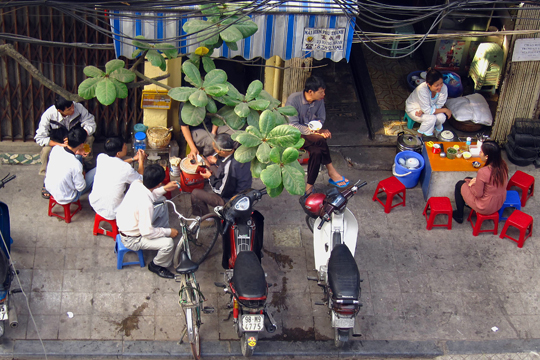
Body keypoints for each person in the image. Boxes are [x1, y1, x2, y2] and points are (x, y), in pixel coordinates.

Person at [285, 76, 349, 195]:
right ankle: (331, 170)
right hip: (294, 135)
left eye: (324, 91)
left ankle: (309, 187)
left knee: (317, 152)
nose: (323, 94)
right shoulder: (293, 100)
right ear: (310, 92)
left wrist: (319, 129)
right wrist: (316, 132)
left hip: (312, 137)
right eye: (321, 92)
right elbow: (293, 125)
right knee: (320, 139)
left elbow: (321, 118)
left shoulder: (319, 101)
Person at [116, 165, 180, 279]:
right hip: (132, 239)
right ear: (159, 183)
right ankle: (157, 265)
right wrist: (167, 232)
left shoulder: (137, 183)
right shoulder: (147, 205)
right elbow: (146, 232)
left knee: (162, 202)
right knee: (169, 244)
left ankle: (160, 236)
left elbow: (151, 194)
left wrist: (165, 189)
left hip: (127, 223)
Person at [35, 95, 96, 197]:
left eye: (72, 106)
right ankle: (47, 178)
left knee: (89, 138)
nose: (73, 109)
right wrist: (60, 145)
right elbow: (40, 138)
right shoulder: (48, 115)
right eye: (69, 109)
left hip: (76, 139)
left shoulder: (78, 107)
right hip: (58, 142)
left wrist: (82, 134)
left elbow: (91, 123)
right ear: (59, 110)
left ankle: (87, 164)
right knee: (46, 151)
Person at [190, 133, 252, 216]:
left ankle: (208, 219)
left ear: (222, 151)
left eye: (215, 149)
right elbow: (226, 167)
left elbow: (221, 191)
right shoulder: (239, 153)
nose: (214, 150)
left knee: (195, 193)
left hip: (232, 200)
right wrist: (216, 162)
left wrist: (209, 177)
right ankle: (209, 166)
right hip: (243, 189)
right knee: (211, 167)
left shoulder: (230, 167)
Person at [89, 137, 147, 220]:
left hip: (95, 203)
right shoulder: (126, 168)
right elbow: (140, 179)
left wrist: (134, 159)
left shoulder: (101, 157)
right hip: (113, 211)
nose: (126, 147)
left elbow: (116, 165)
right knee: (139, 189)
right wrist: (141, 161)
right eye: (124, 147)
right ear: (118, 154)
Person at [453, 140, 509, 224]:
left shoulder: (483, 171)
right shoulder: (503, 165)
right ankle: (467, 203)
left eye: (481, 151)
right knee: (467, 178)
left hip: (485, 206)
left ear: (487, 156)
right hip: (498, 202)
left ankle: (459, 215)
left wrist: (471, 185)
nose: (479, 153)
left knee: (459, 185)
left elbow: (478, 194)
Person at [44, 127, 96, 204]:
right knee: (97, 170)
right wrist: (82, 173)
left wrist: (78, 152)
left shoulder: (56, 149)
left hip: (50, 188)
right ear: (82, 144)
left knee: (78, 157)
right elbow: (81, 187)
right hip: (68, 197)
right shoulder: (76, 164)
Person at [405, 69, 452, 136]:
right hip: (414, 109)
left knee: (442, 118)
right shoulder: (422, 90)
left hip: (428, 108)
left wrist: (424, 110)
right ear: (429, 84)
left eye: (441, 83)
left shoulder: (444, 88)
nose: (440, 87)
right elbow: (427, 110)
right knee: (431, 119)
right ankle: (419, 135)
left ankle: (438, 131)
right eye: (437, 85)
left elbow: (439, 104)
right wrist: (445, 110)